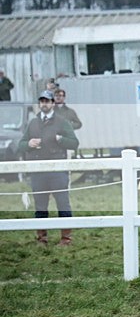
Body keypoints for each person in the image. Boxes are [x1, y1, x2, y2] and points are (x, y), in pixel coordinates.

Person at [19, 90, 80, 246]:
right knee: (40, 205)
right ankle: (42, 239)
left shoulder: (62, 122)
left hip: (57, 170)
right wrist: (29, 144)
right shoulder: (33, 123)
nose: (44, 104)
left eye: (47, 101)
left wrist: (60, 139)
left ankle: (66, 239)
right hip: (38, 171)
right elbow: (21, 145)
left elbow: (74, 143)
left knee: (63, 204)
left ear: (53, 103)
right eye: (42, 101)